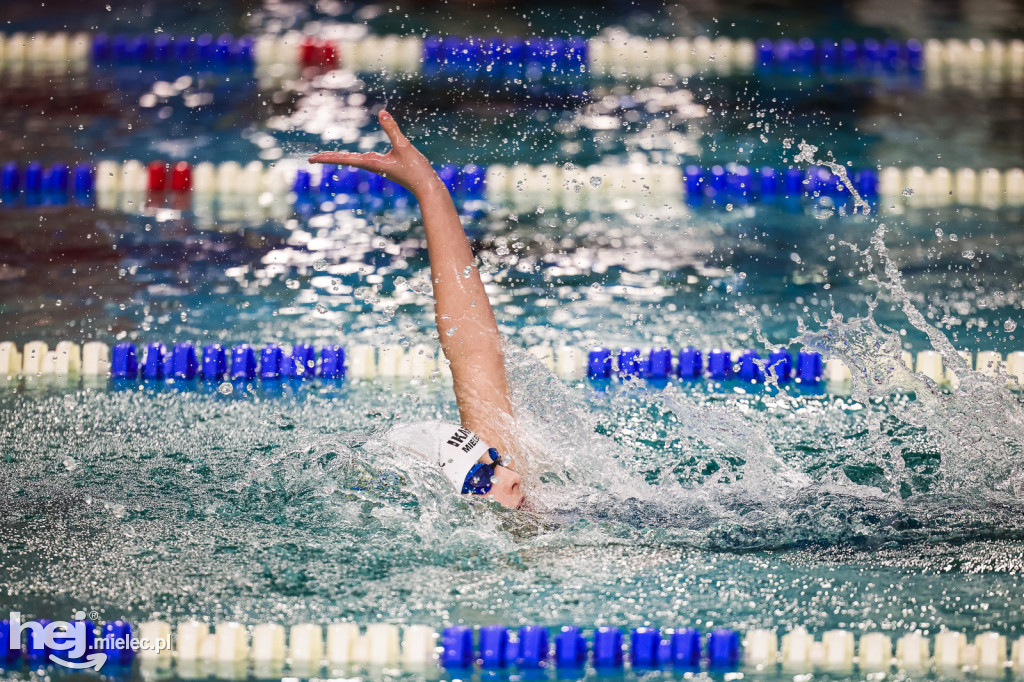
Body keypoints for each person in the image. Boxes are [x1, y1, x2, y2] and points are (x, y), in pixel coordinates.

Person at [310, 110, 526, 510]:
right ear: (444, 501)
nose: (513, 477)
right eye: (481, 477)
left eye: (494, 460)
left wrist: (430, 189)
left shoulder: (523, 510)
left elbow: (476, 351)